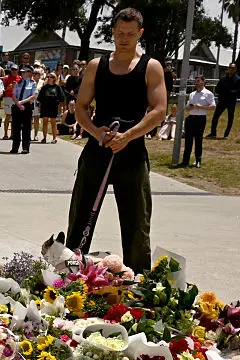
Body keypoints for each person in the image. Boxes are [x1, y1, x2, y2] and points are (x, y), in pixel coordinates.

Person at [67, 7, 166, 274]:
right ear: (113, 32)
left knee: (136, 221)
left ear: (140, 34)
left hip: (132, 152)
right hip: (98, 149)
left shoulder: (151, 67)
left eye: (130, 34)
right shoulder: (96, 66)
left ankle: (138, 280)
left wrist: (129, 136)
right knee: (80, 215)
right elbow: (81, 106)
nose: (124, 38)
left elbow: (159, 110)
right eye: (119, 33)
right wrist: (96, 131)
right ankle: (69, 271)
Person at [181, 74, 214, 168]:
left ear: (203, 82)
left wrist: (200, 107)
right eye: (196, 81)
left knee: (198, 140)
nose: (197, 83)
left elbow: (213, 106)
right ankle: (185, 161)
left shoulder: (208, 93)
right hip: (191, 118)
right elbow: (187, 108)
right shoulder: (192, 94)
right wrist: (189, 107)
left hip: (200, 118)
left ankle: (198, 160)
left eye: (198, 81)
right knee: (188, 140)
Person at [208, 63, 240, 139]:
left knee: (230, 118)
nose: (231, 69)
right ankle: (213, 133)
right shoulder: (223, 78)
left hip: (231, 101)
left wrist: (232, 92)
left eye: (233, 68)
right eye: (230, 67)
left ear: (235, 69)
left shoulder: (238, 79)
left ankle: (226, 134)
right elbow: (217, 88)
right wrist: (220, 91)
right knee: (215, 116)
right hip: (222, 101)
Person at [10, 70, 37, 154]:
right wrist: (18, 103)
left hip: (27, 107)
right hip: (17, 106)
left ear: (28, 73)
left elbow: (33, 96)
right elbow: (13, 95)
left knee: (26, 128)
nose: (22, 74)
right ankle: (15, 147)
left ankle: (25, 148)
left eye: (24, 72)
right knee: (16, 128)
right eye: (21, 72)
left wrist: (22, 102)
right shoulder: (18, 83)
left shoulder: (32, 83)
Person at [37, 72, 63, 143]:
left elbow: (61, 98)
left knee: (53, 123)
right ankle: (44, 138)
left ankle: (54, 138)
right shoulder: (44, 87)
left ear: (54, 78)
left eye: (50, 77)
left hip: (53, 107)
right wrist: (39, 106)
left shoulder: (57, 87)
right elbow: (40, 98)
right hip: (45, 106)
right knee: (44, 122)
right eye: (47, 77)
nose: (48, 78)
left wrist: (59, 108)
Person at [1, 64, 21, 140]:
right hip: (8, 98)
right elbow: (2, 90)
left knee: (14, 117)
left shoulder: (19, 78)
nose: (14, 71)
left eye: (15, 70)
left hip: (16, 98)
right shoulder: (6, 78)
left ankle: (12, 134)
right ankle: (5, 134)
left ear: (18, 70)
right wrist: (8, 87)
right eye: (12, 69)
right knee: (8, 116)